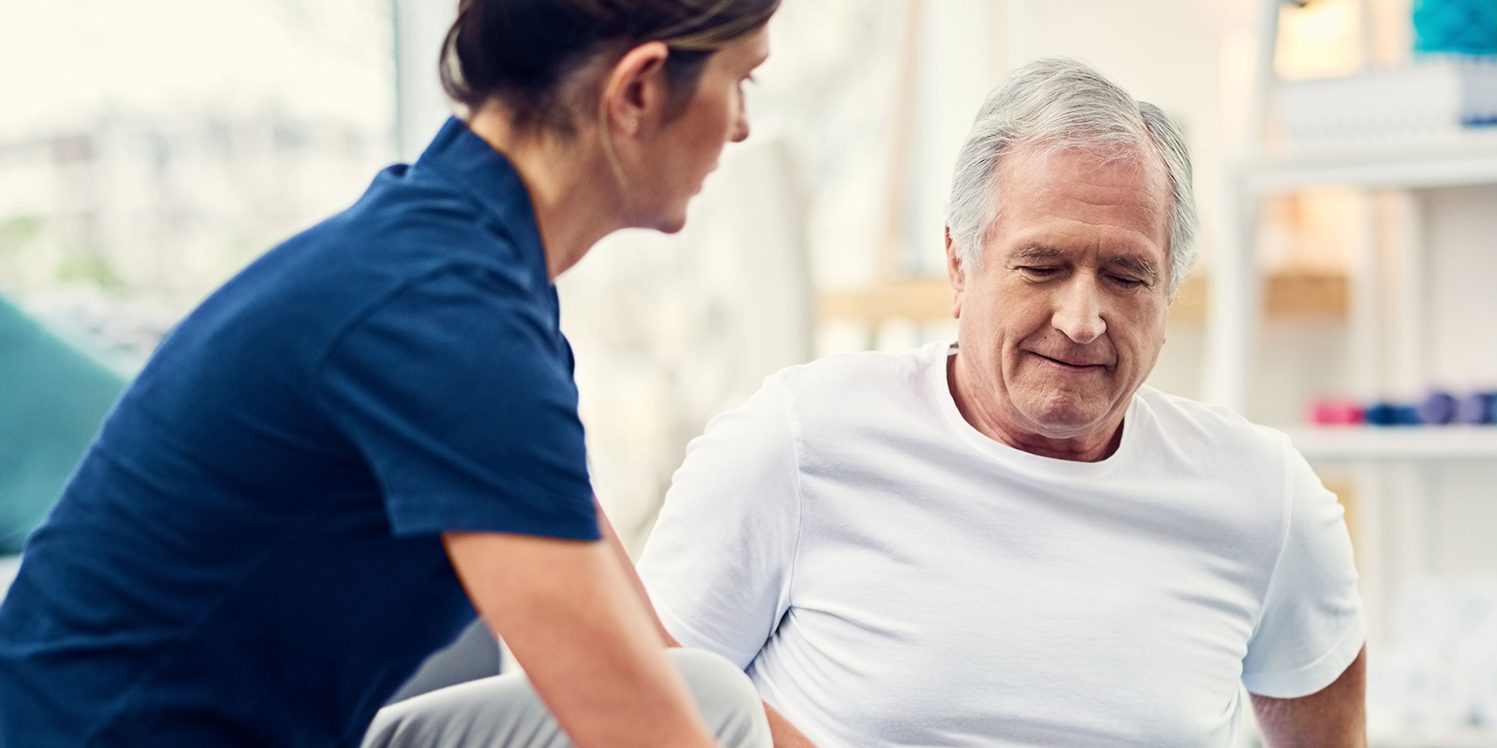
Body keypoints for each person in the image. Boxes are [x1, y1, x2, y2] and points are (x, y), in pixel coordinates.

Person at [0, 1, 778, 746]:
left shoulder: (474, 280)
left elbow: (645, 667)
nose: (742, 127)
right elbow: (634, 731)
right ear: (638, 90)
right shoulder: (441, 321)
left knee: (708, 700)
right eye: (739, 81)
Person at [637, 57, 1367, 747]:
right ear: (961, 265)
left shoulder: (1264, 495)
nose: (1082, 319)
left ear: (1169, 291)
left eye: (1126, 275)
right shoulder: (798, 443)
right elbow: (628, 703)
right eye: (1043, 267)